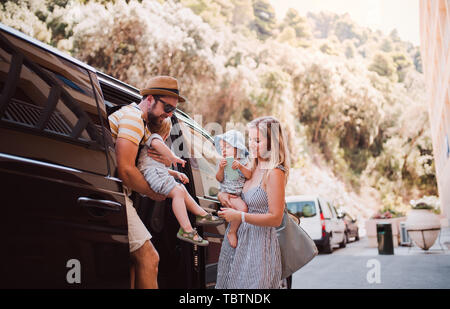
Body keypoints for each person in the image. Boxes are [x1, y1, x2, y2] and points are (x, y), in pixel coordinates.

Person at [108, 76, 186, 289]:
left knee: (133, 265)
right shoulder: (133, 119)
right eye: (167, 107)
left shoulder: (141, 124)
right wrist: (153, 193)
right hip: (114, 195)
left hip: (116, 195)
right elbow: (126, 170)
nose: (169, 114)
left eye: (173, 111)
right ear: (150, 99)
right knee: (150, 259)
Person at [216, 116, 290, 289]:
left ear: (272, 143)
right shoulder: (249, 167)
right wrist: (222, 195)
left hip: (259, 249)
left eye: (258, 140)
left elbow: (275, 218)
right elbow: (229, 187)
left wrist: (240, 216)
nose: (252, 144)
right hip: (237, 243)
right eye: (250, 139)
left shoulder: (274, 173)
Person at [137, 117, 224, 246]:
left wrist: (176, 173)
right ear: (166, 134)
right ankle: (186, 229)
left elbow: (157, 169)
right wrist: (172, 157)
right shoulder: (154, 138)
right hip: (154, 176)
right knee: (178, 192)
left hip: (155, 174)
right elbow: (157, 146)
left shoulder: (154, 148)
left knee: (181, 189)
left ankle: (201, 214)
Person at [214, 130, 252, 248]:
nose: (224, 150)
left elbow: (249, 175)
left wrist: (240, 166)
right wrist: (221, 168)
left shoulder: (244, 161)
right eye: (222, 148)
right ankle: (232, 232)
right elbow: (219, 179)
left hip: (237, 195)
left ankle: (233, 230)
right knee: (243, 208)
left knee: (241, 209)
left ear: (238, 148)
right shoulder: (223, 162)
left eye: (227, 147)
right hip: (227, 194)